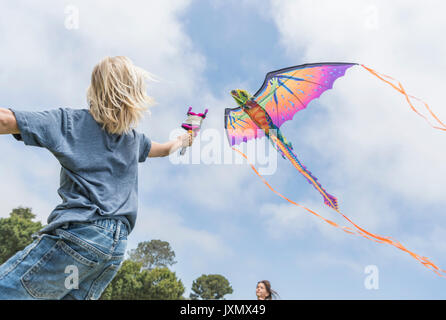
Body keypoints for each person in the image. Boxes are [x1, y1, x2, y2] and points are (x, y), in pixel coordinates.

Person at [0, 56, 194, 300]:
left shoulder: (70, 123)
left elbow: (6, 120)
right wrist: (184, 138)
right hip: (112, 251)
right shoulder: (133, 140)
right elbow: (166, 149)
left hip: (80, 235)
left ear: (95, 89)